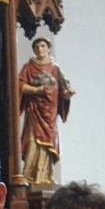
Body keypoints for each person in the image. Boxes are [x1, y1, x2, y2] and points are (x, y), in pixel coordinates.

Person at [18, 38, 75, 186]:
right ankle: (30, 174)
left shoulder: (55, 69)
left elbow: (63, 89)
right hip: (34, 111)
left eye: (43, 46)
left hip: (50, 113)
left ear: (48, 49)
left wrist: (67, 94)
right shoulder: (28, 67)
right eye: (37, 46)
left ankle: (45, 175)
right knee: (32, 141)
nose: (40, 49)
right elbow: (20, 85)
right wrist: (37, 90)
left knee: (48, 143)